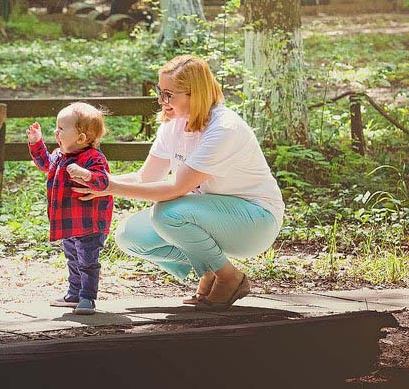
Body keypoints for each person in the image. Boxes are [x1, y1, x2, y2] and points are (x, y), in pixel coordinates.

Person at [73, 55, 284, 311]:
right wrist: (99, 181)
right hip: (208, 214)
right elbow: (146, 177)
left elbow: (175, 189)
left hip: (255, 221)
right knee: (129, 235)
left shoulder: (223, 129)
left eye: (169, 95)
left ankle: (230, 278)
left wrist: (110, 187)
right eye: (160, 92)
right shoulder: (172, 125)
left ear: (196, 94)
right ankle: (210, 269)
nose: (162, 101)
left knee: (167, 213)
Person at [26, 102, 113, 315]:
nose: (56, 131)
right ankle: (74, 293)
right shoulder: (59, 155)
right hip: (68, 222)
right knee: (73, 258)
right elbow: (45, 164)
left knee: (87, 261)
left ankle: (88, 297)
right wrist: (37, 143)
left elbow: (103, 181)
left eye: (62, 128)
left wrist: (86, 174)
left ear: (81, 138)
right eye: (57, 127)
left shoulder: (92, 158)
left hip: (89, 222)